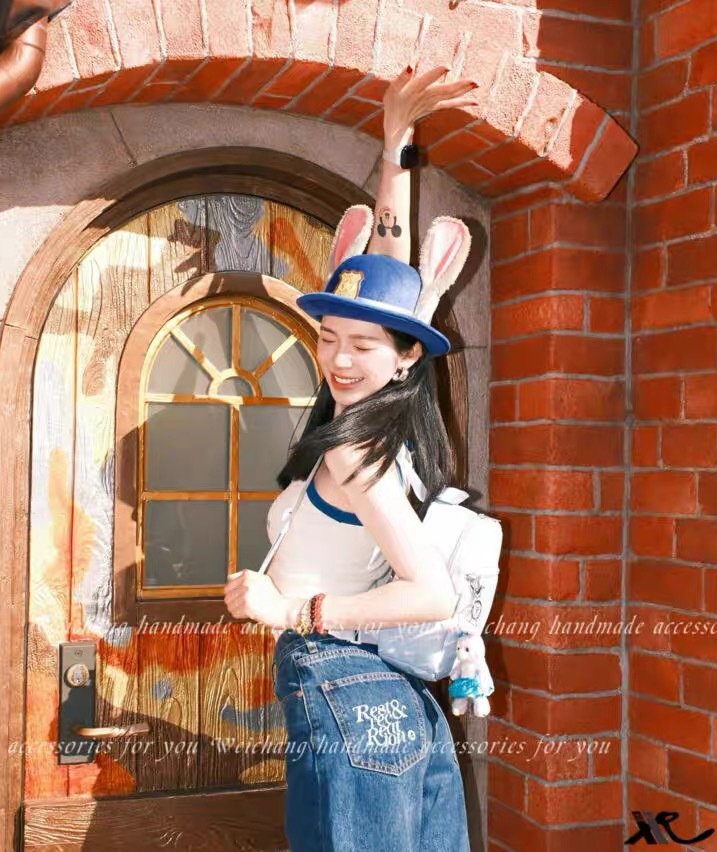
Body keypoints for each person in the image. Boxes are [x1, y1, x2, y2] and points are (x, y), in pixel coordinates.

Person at [224, 63, 479, 852]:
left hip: (340, 677)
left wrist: (293, 612)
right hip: (397, 694)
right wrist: (396, 140)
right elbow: (391, 275)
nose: (337, 358)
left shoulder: (355, 450)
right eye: (329, 337)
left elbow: (431, 592)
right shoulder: (385, 427)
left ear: (405, 358)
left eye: (362, 345)